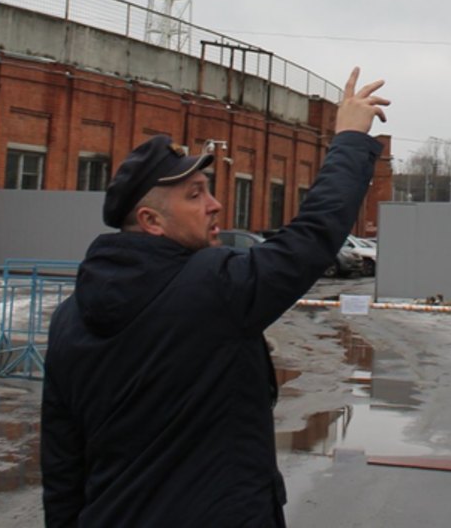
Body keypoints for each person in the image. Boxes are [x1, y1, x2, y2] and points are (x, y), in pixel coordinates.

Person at [41, 67, 390, 527]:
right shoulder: (210, 288)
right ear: (151, 221)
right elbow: (311, 238)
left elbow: (63, 466)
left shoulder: (70, 319)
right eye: (196, 195)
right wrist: (348, 139)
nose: (216, 205)